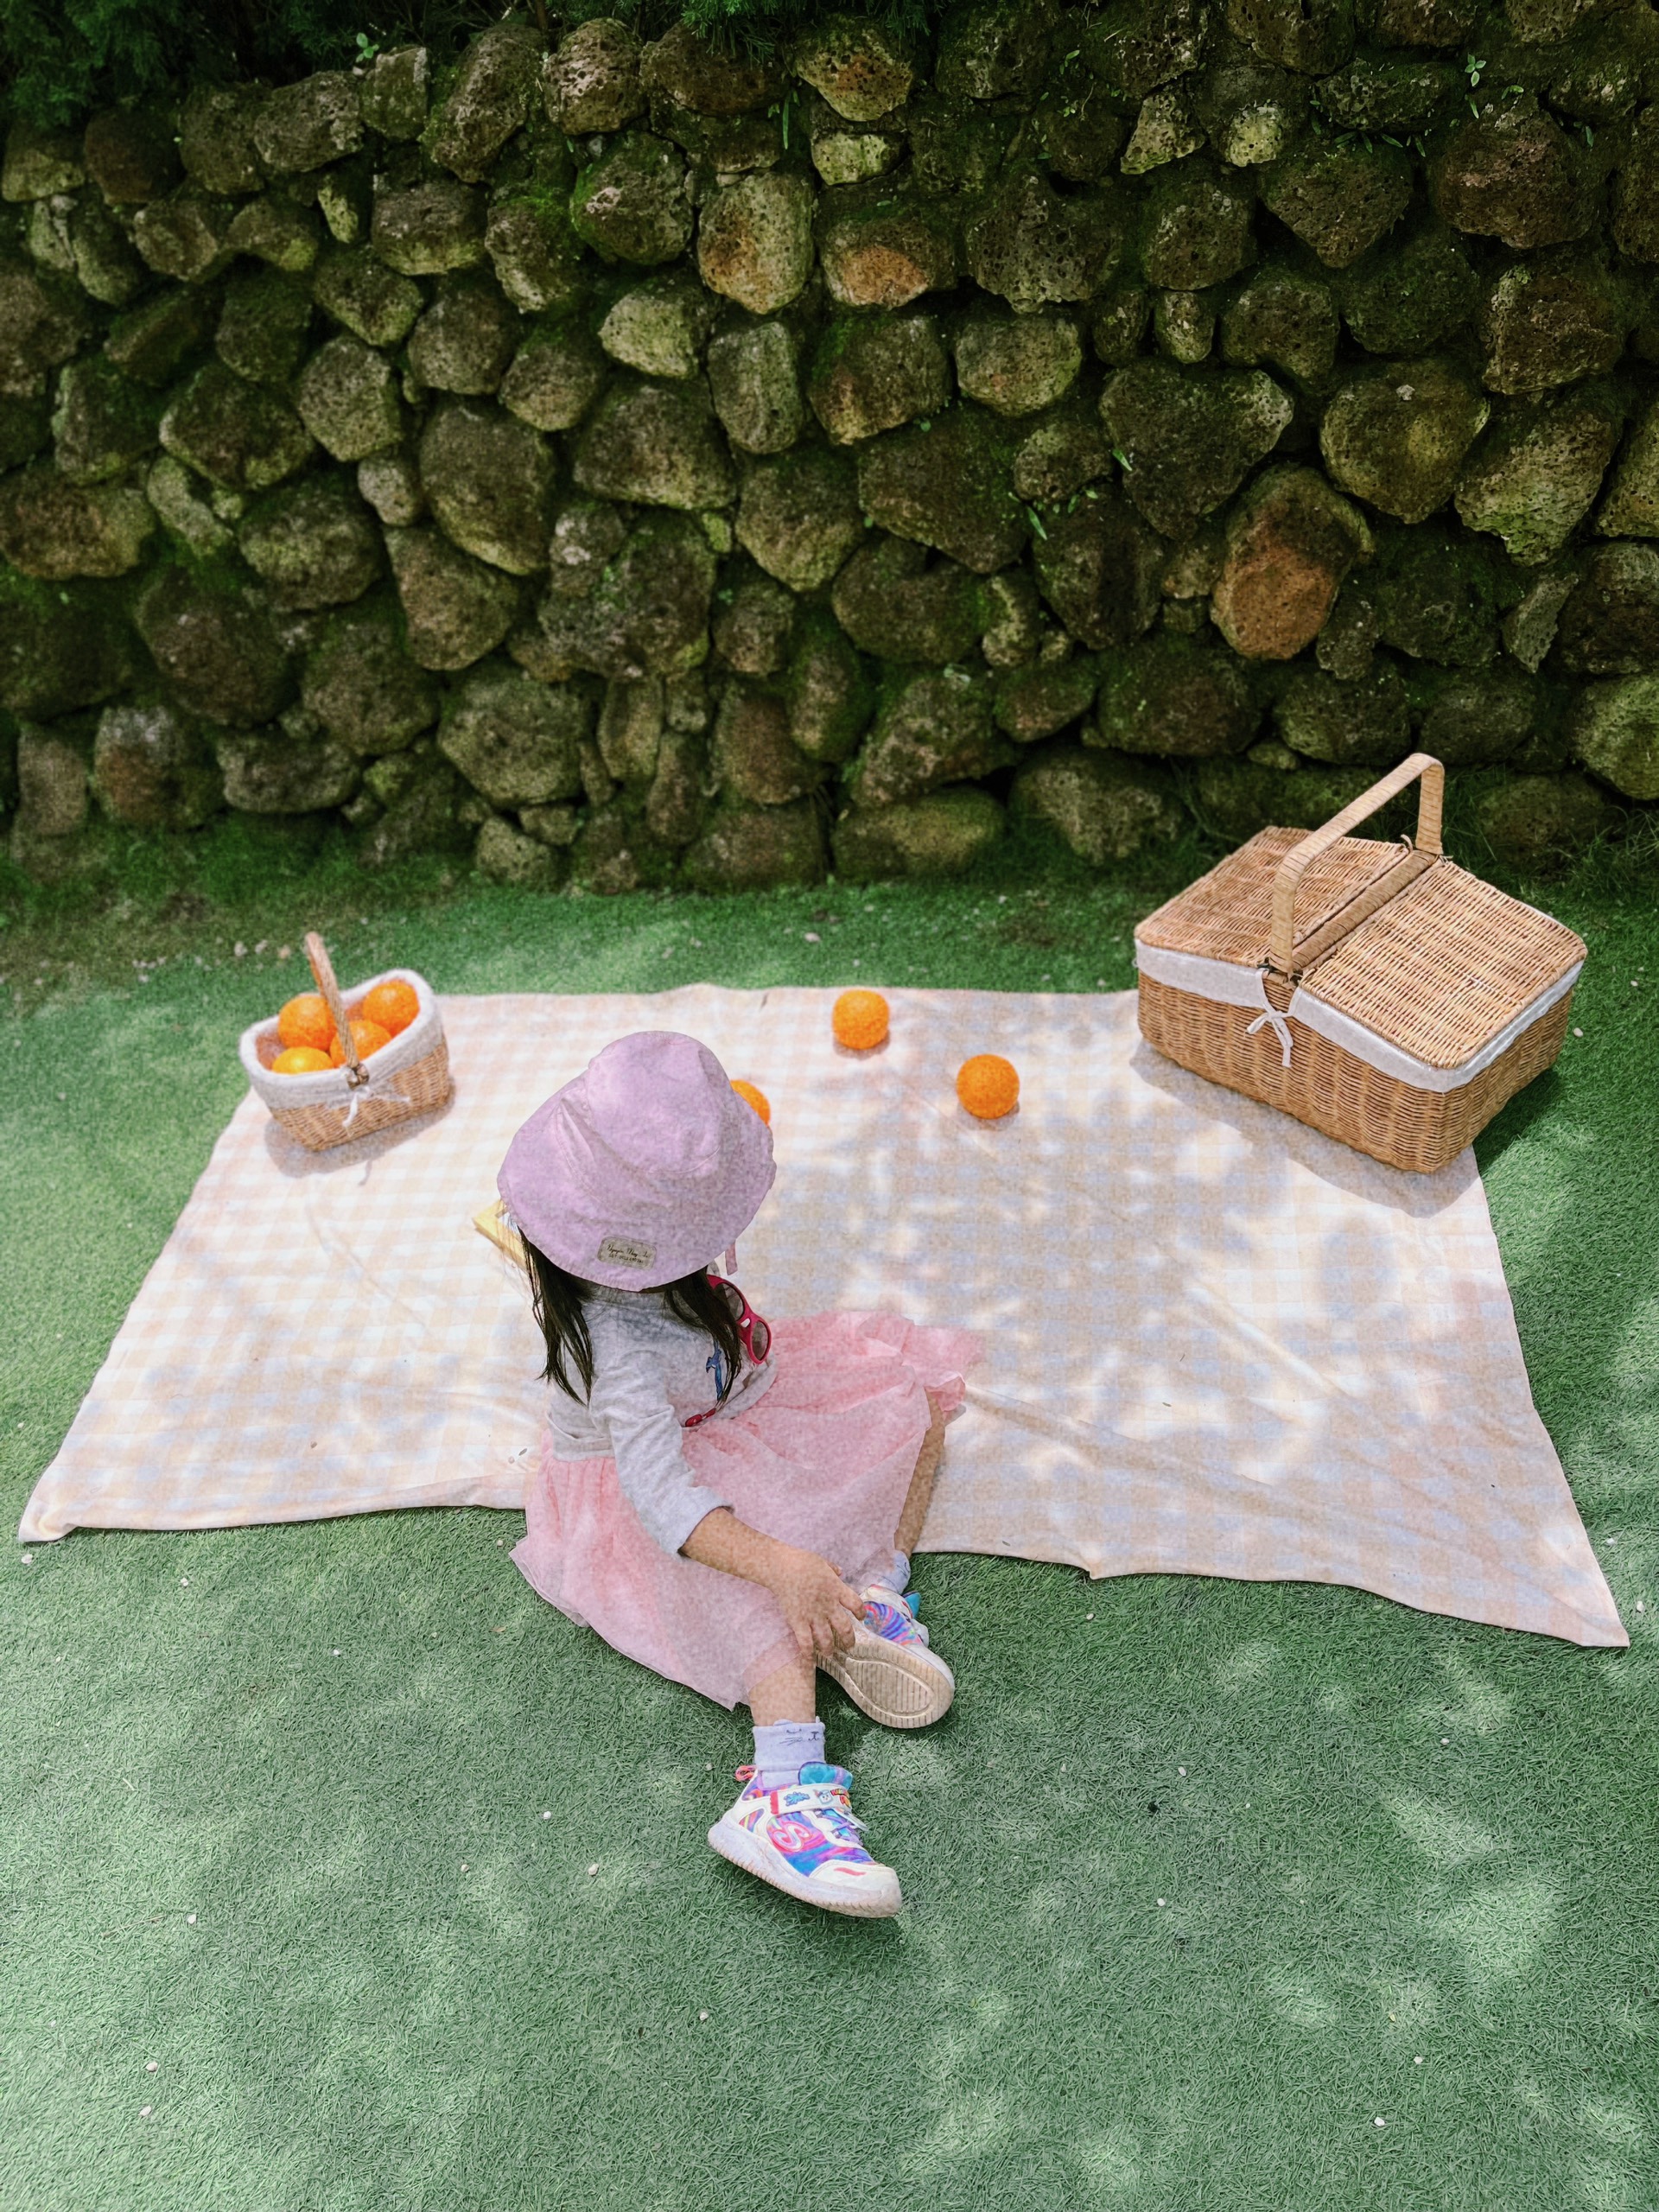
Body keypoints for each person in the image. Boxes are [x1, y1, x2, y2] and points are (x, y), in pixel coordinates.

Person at [499, 1030, 981, 1918]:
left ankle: (869, 1592)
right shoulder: (617, 1349)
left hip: (739, 1410)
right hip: (655, 1499)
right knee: (757, 1592)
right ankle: (780, 1791)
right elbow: (665, 1503)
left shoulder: (646, 1266)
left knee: (911, 1403)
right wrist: (781, 1567)